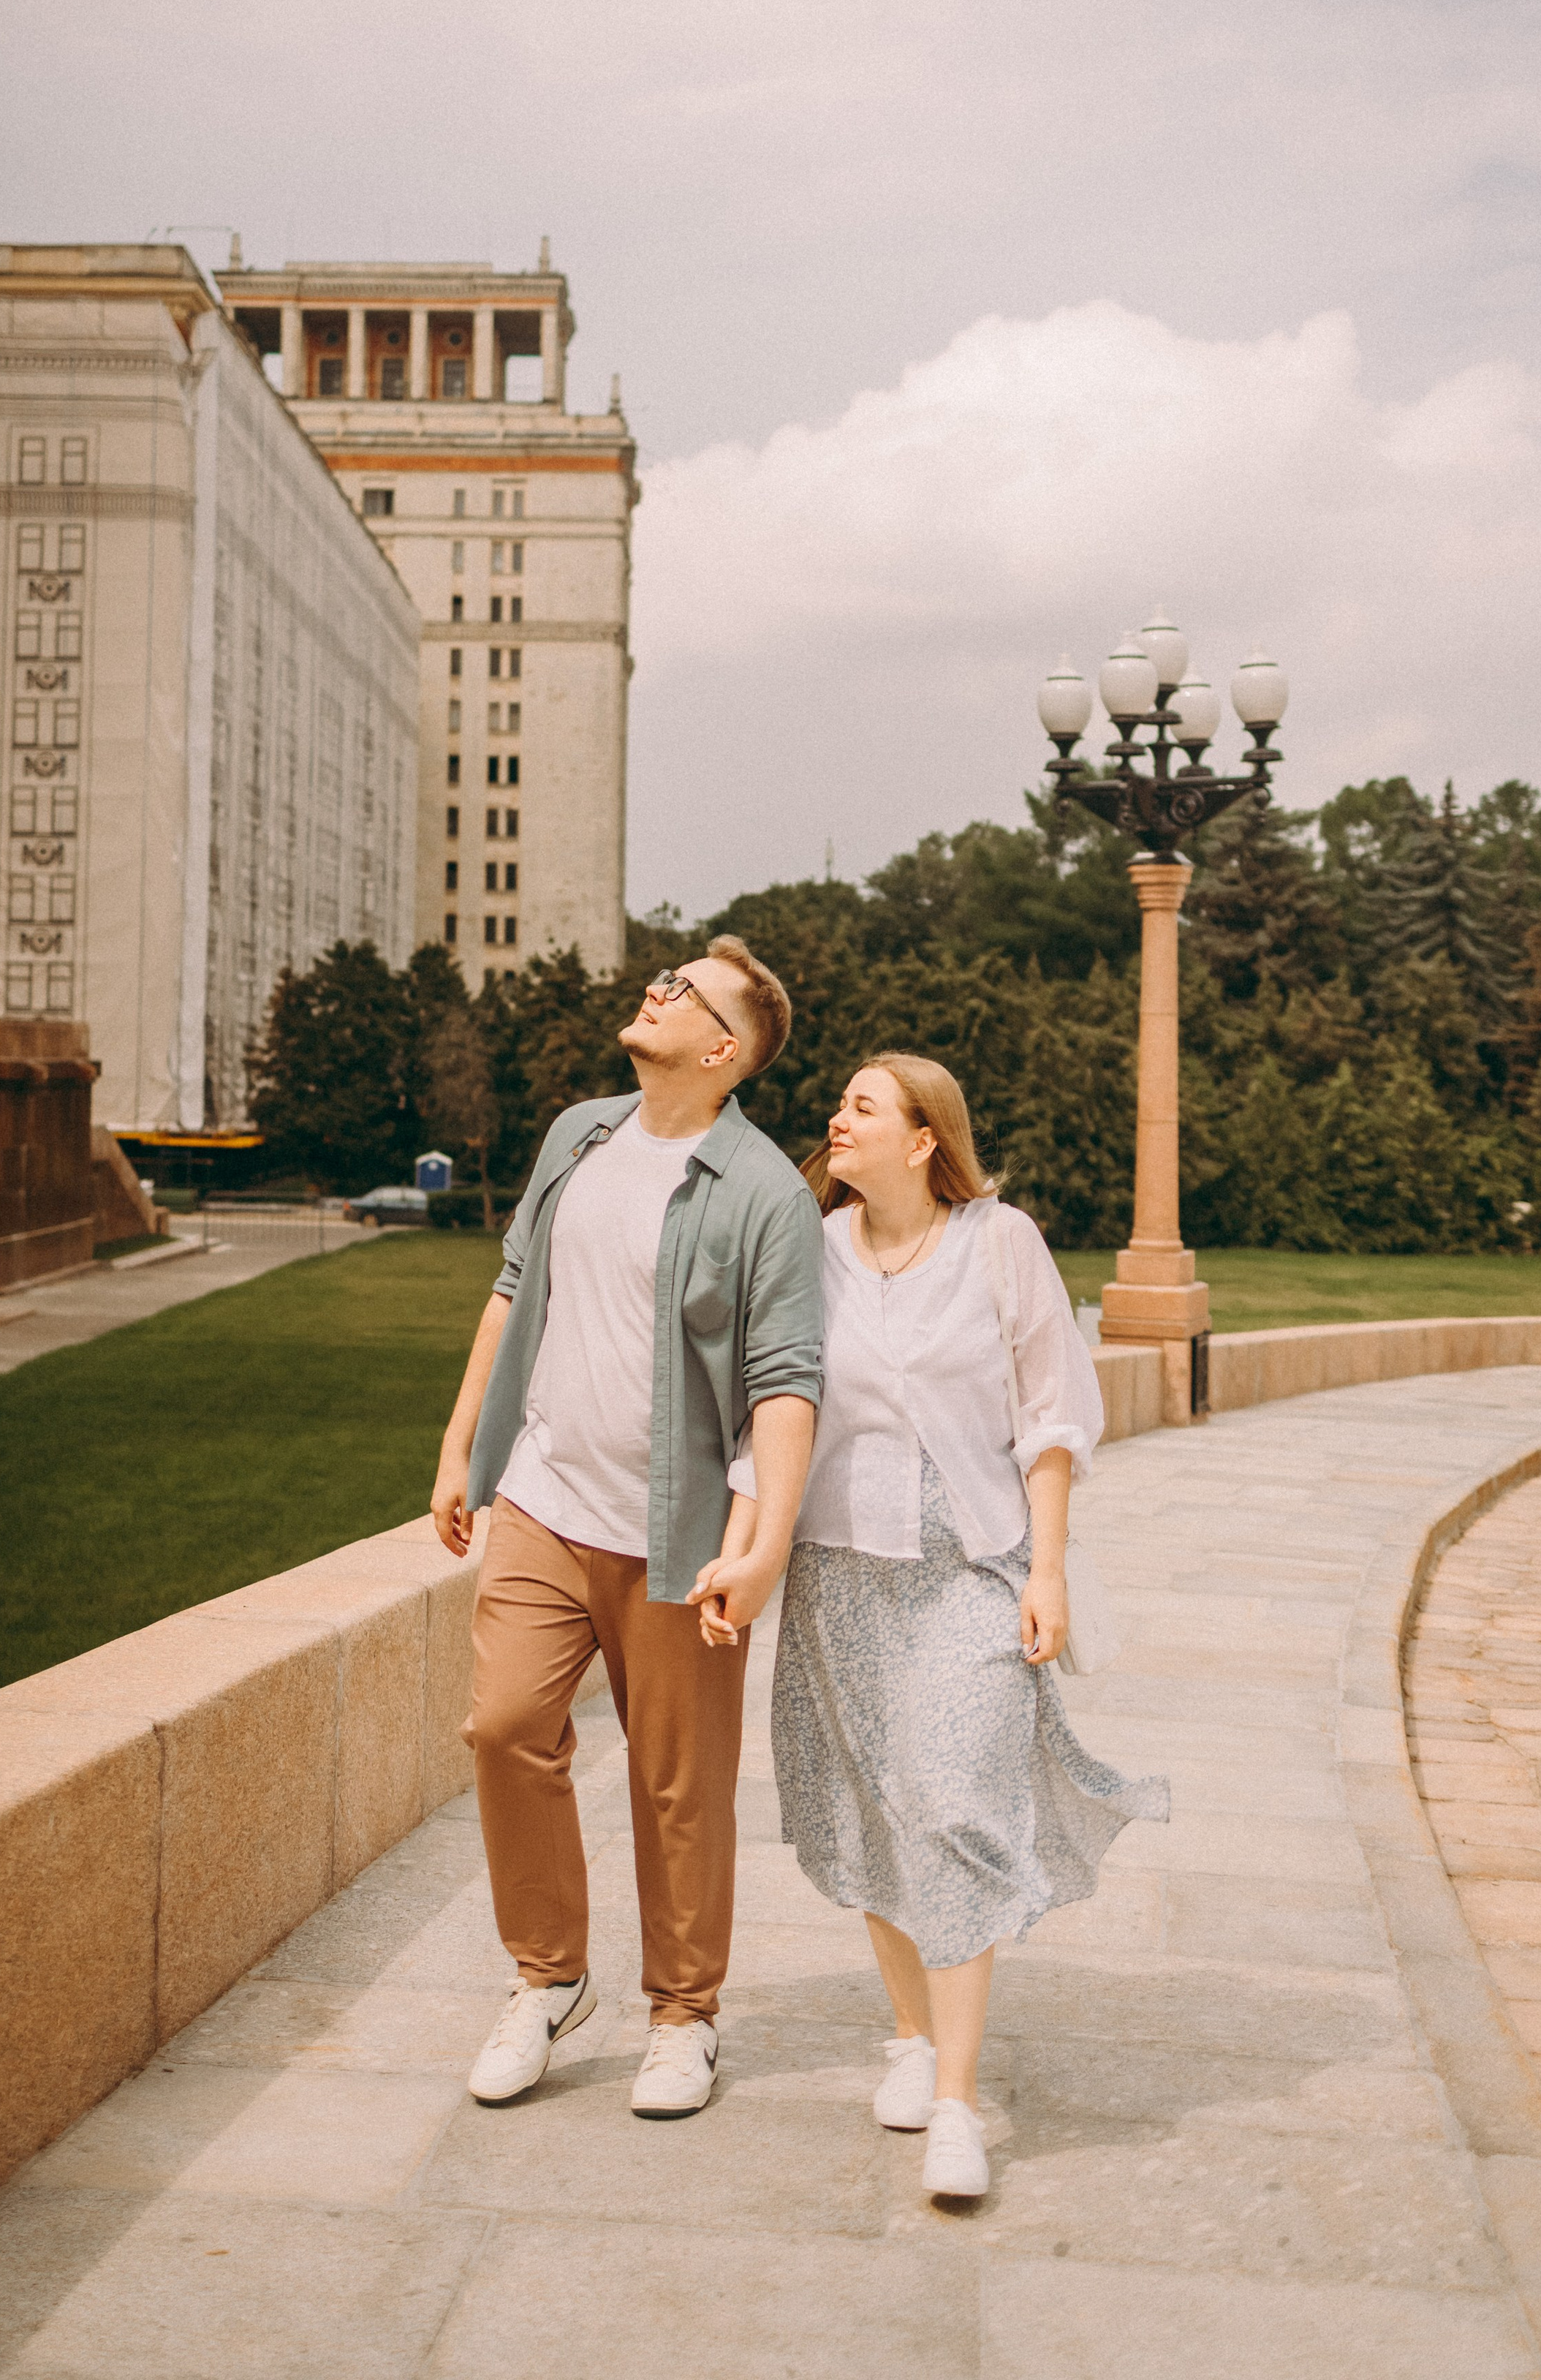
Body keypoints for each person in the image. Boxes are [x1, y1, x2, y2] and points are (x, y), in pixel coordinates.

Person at [714, 1052, 1166, 2201]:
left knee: (957, 1802)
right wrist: (746, 1548)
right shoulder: (811, 1254)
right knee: (875, 1810)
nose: (837, 1119)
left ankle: (961, 2103)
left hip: (970, 1562)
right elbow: (773, 1412)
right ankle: (913, 2039)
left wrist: (1047, 1571)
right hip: (838, 1572)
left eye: (862, 1106)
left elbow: (1052, 1413)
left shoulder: (998, 1240)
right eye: (841, 1105)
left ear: (924, 1138)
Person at [429, 937, 823, 2120]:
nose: (655, 990)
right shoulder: (579, 1135)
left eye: (683, 991)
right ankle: (549, 1979)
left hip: (676, 1534)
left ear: (723, 1049)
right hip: (545, 1502)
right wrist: (461, 1449)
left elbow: (787, 1385)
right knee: (504, 1729)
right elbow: (513, 1289)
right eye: (666, 975)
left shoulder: (765, 1193)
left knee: (679, 1786)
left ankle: (684, 2016)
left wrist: (759, 1550)